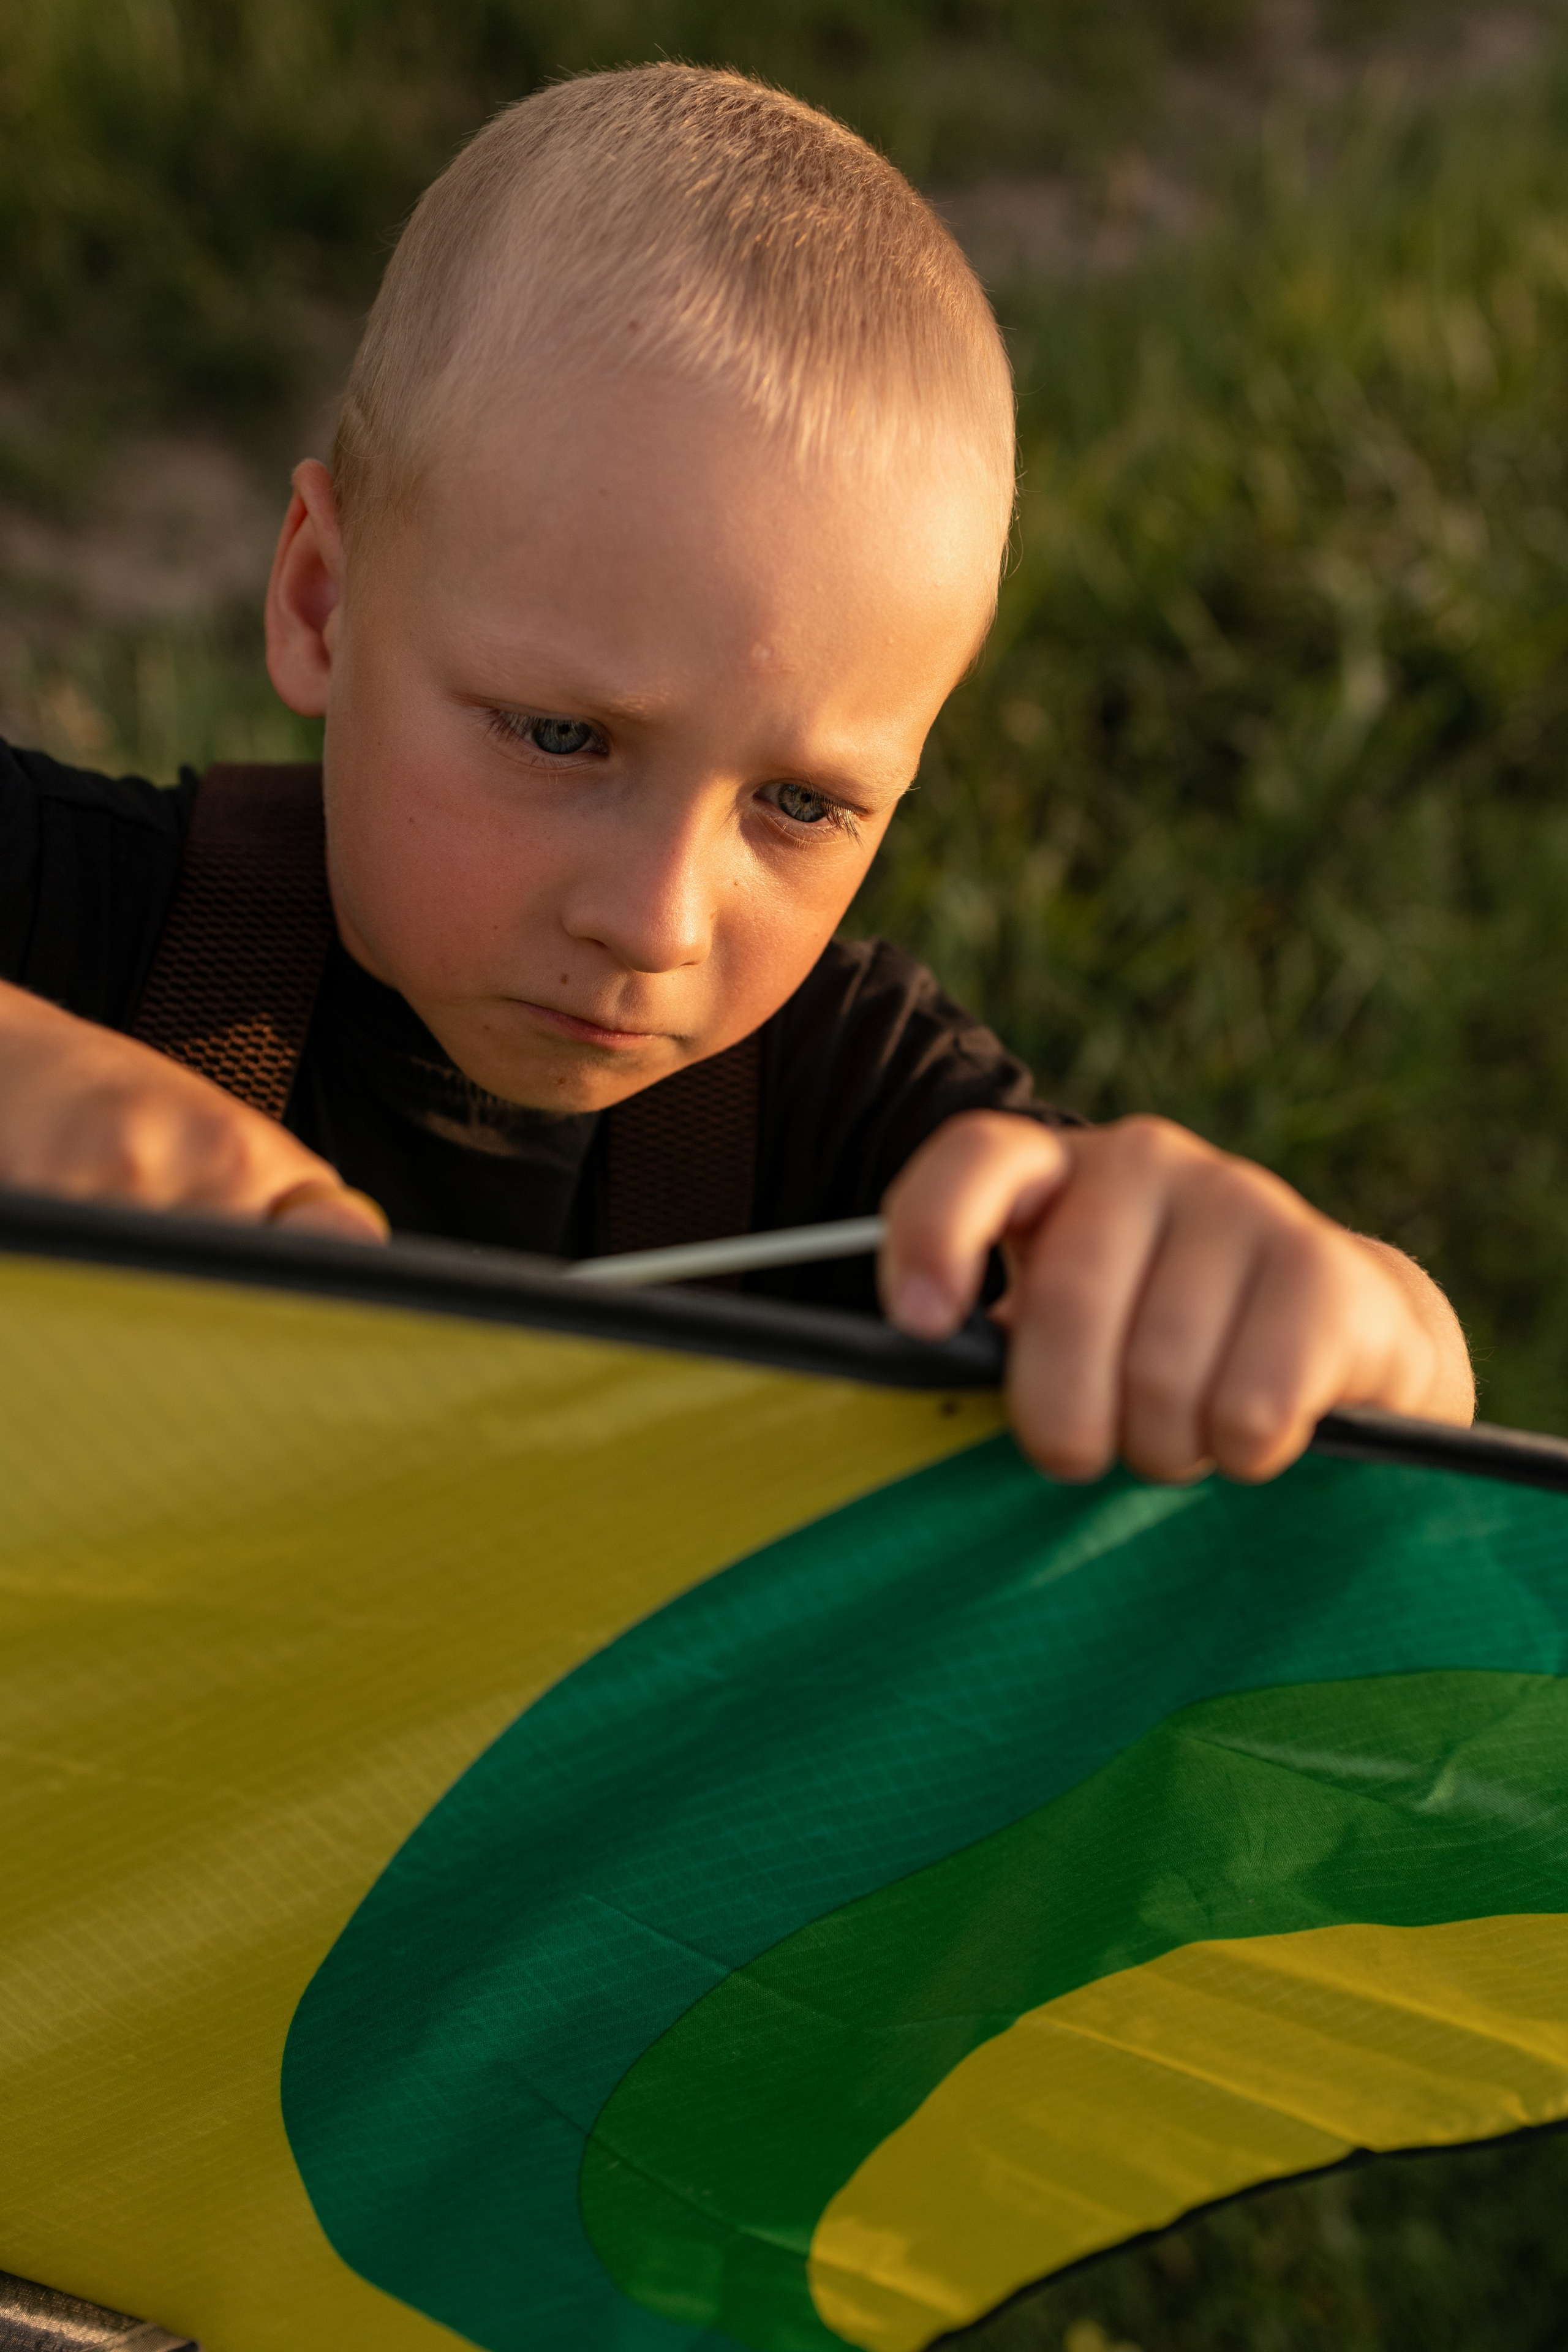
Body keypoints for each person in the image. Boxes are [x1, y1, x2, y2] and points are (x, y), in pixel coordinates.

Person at [0, 64, 1474, 1485]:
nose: (655, 923)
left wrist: (1342, 1316)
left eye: (800, 806)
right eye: (561, 737)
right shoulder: (85, 921)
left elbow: (1398, 1373)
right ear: (322, 601)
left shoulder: (861, 1138)